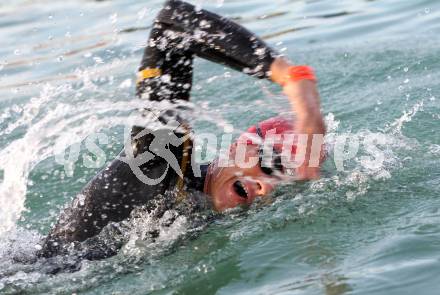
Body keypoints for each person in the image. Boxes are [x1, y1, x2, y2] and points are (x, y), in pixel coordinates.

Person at [38, 0, 325, 261]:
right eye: (270, 164)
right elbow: (170, 23)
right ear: (240, 146)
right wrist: (290, 76)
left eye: (286, 180)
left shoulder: (204, 211)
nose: (267, 186)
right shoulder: (160, 164)